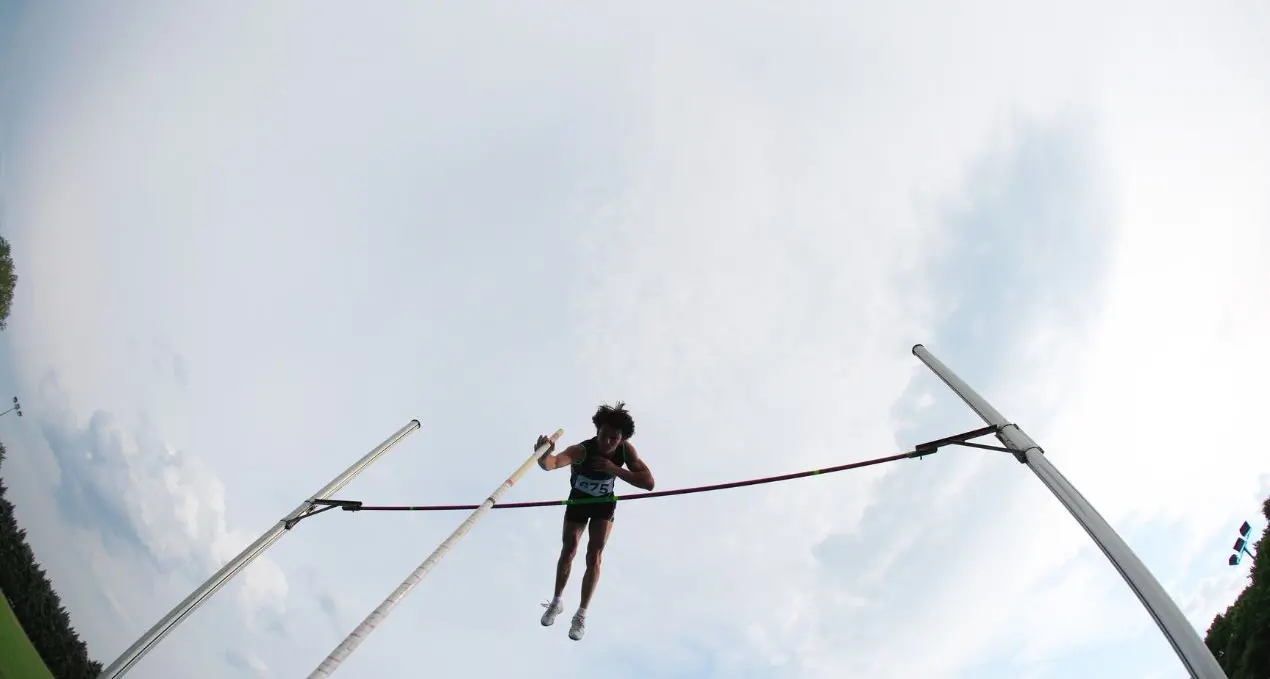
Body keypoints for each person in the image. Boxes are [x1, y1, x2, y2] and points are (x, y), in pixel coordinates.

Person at [534, 401, 655, 641]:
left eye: (614, 438)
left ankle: (581, 614)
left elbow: (649, 483)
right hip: (578, 502)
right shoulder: (582, 450)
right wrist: (543, 454)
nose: (608, 442)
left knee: (594, 555)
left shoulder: (625, 451)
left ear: (621, 439)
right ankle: (557, 602)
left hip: (603, 504)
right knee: (569, 550)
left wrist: (614, 469)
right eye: (604, 435)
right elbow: (552, 464)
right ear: (597, 431)